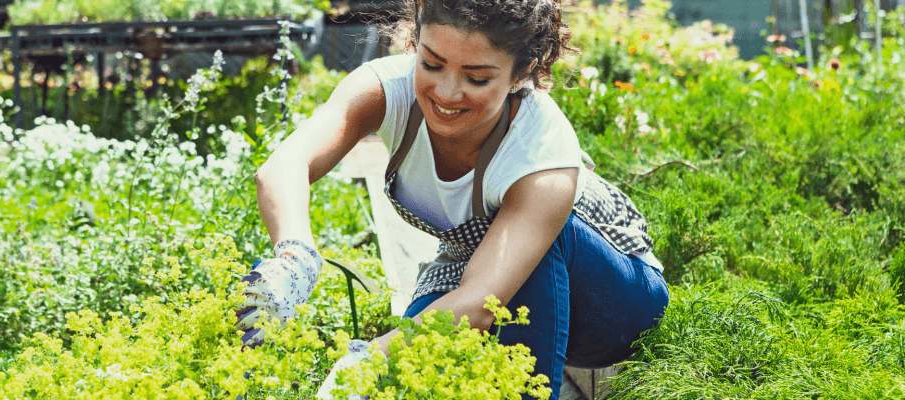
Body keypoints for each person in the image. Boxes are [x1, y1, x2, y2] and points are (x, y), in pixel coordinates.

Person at [236, 0, 670, 398]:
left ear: (522, 73)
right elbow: (285, 164)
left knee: (498, 286)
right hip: (477, 269)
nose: (446, 92)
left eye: (476, 78)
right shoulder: (387, 90)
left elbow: (483, 301)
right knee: (415, 365)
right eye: (431, 63)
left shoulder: (542, 153)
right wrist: (295, 256)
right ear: (414, 44)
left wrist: (366, 359)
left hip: (614, 304)